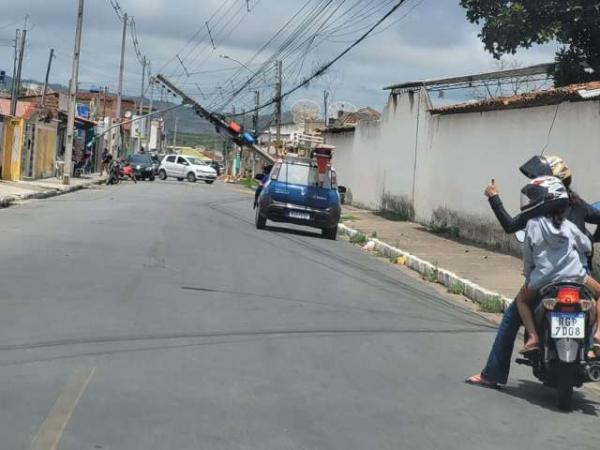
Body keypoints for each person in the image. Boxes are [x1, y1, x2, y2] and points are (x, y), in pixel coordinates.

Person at [467, 155, 600, 388]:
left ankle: (497, 370)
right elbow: (587, 241)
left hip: (542, 277)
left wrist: (494, 198)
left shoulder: (534, 218)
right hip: (578, 274)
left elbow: (512, 230)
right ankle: (593, 343)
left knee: (511, 318)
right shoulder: (577, 205)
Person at [515, 177, 600, 353]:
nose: (531, 201)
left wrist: (529, 276)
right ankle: (598, 334)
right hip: (575, 276)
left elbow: (529, 259)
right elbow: (586, 245)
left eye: (534, 197)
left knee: (522, 300)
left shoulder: (532, 225)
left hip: (543, 280)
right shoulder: (567, 225)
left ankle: (533, 337)